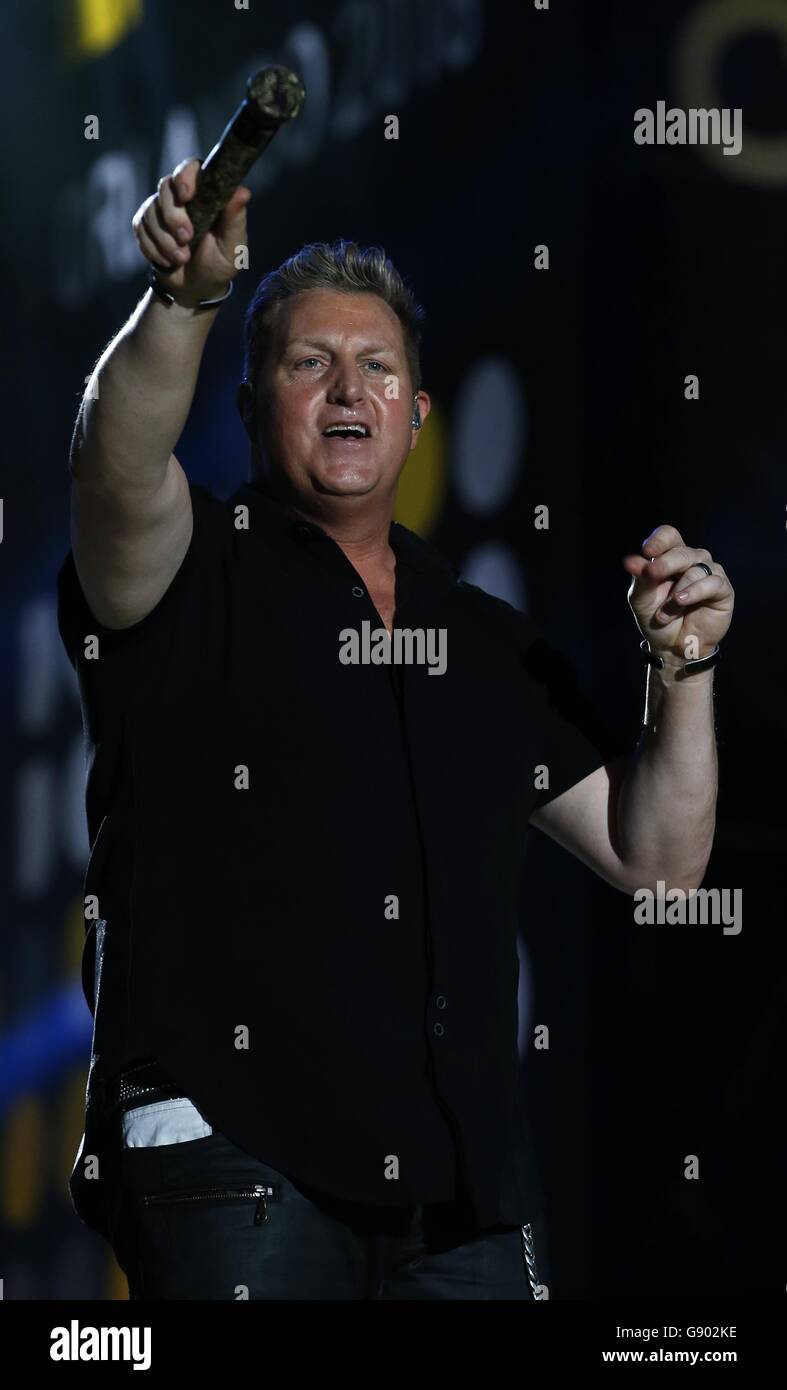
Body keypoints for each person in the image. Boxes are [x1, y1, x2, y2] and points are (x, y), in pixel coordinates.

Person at [57, 158, 732, 1301]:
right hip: (234, 1157)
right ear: (248, 403)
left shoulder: (483, 640)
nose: (344, 391)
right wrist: (185, 299)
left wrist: (685, 669)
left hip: (462, 1198)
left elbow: (657, 861)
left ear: (417, 416)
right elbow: (115, 467)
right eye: (308, 364)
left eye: (376, 368)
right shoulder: (189, 573)